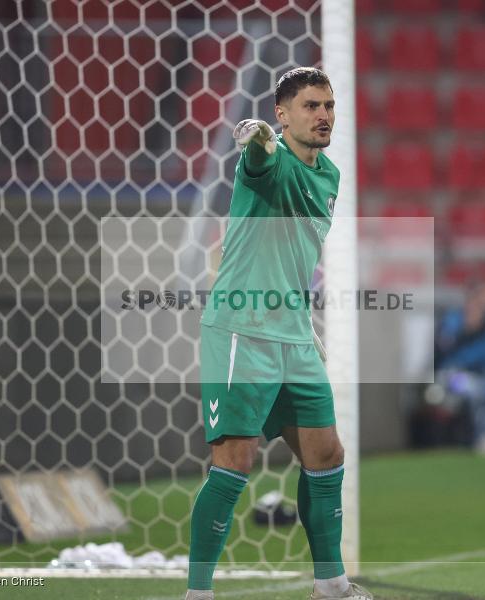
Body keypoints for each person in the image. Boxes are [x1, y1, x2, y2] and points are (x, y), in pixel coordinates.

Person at [186, 68, 372, 600]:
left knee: (326, 454)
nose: (323, 115)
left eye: (329, 106)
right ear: (282, 114)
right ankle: (198, 593)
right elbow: (262, 163)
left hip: (292, 333)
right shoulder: (261, 163)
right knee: (235, 460)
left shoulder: (329, 176)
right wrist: (262, 146)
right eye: (311, 106)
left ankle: (331, 584)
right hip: (242, 331)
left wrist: (301, 319)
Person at [434, 281, 485, 455]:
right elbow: (443, 348)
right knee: (477, 390)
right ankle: (481, 436)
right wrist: (469, 330)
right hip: (453, 375)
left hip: (484, 374)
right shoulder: (454, 319)